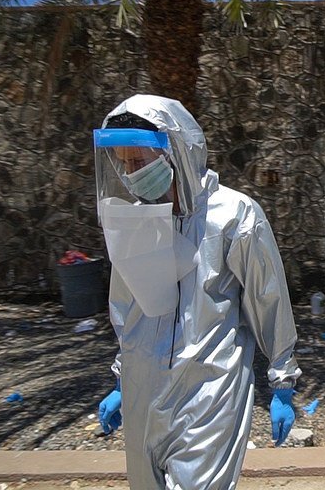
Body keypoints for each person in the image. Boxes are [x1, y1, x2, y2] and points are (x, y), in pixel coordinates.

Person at [92, 94, 302, 489]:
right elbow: (128, 308)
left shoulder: (234, 215)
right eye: (124, 163)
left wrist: (282, 381)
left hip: (209, 389)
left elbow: (267, 298)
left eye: (140, 161)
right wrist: (123, 380)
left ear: (175, 151)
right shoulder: (139, 216)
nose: (131, 173)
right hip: (144, 390)